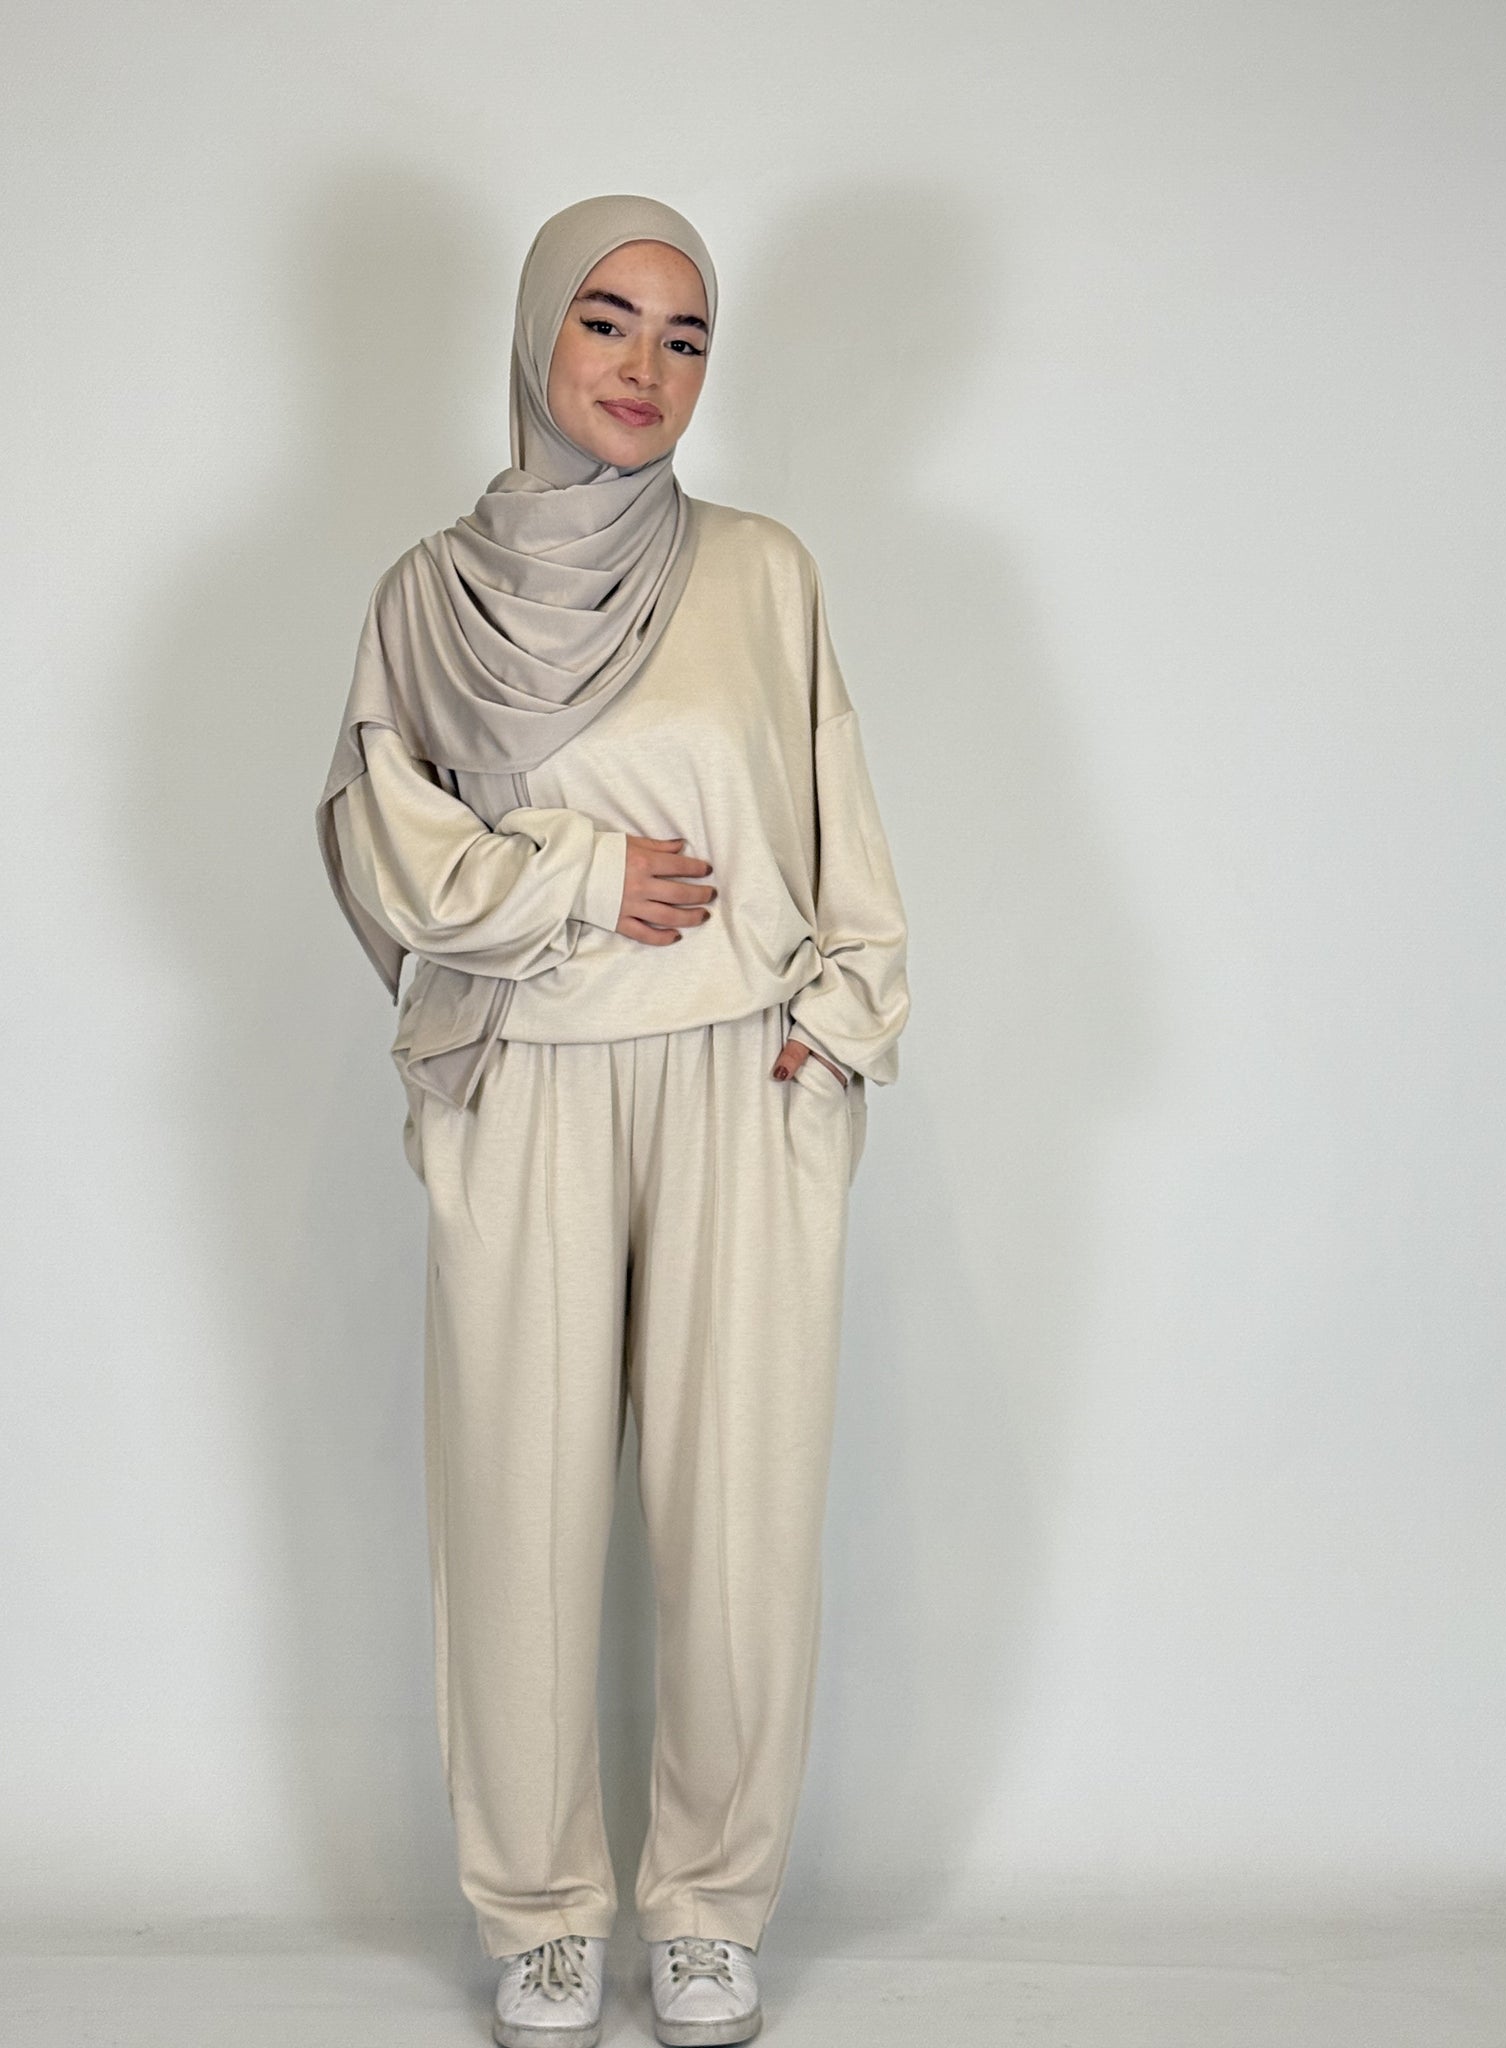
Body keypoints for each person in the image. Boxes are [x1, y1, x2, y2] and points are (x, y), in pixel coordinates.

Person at [316, 193, 909, 2048]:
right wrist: (579, 877)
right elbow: (387, 839)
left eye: (686, 335)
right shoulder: (430, 596)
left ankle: (712, 1906)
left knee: (742, 1514)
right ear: (535, 336)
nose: (646, 367)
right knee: (518, 1505)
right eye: (607, 320)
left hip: (740, 1072)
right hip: (531, 1074)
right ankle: (546, 1911)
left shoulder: (763, 572)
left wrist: (836, 1026)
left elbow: (842, 823)